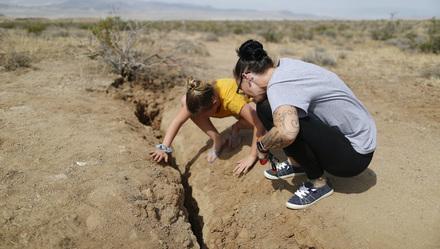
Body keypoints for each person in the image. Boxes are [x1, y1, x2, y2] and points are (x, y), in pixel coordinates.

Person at [233, 39, 376, 209]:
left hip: (353, 158)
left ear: (247, 76)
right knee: (271, 109)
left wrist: (262, 146)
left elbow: (287, 133)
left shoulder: (279, 86)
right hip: (354, 141)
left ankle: (318, 183)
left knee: (274, 114)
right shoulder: (285, 67)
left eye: (241, 89)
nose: (246, 96)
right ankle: (297, 163)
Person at [150, 78, 265, 175]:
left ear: (214, 102)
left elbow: (258, 123)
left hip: (247, 105)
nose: (200, 116)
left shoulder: (232, 101)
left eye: (203, 114)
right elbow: (177, 121)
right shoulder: (196, 97)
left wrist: (252, 156)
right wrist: (163, 148)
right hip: (222, 106)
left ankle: (238, 126)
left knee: (264, 123)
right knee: (188, 108)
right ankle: (217, 139)